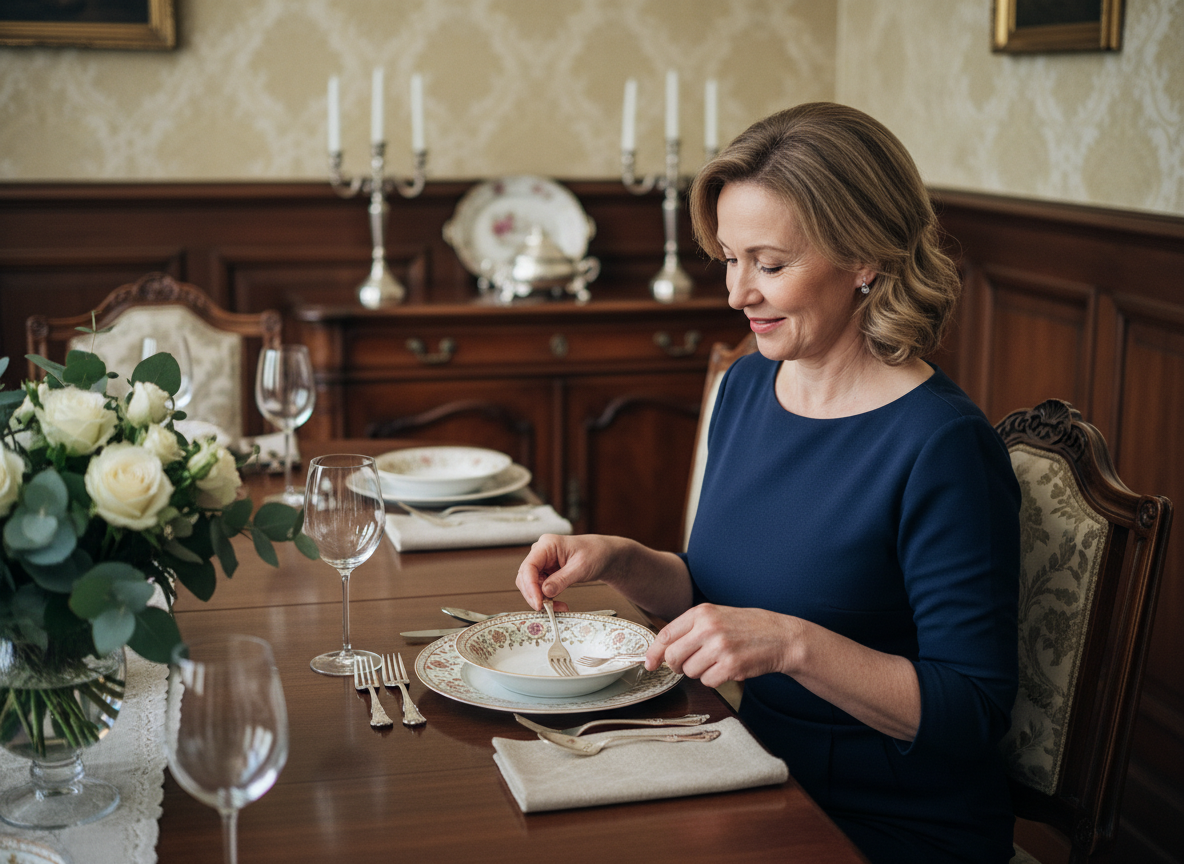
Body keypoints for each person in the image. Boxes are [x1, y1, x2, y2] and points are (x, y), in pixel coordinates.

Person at [515, 102, 1021, 864]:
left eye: (771, 264)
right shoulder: (751, 385)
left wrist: (791, 645)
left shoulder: (941, 446)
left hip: (889, 821)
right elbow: (717, 597)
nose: (736, 293)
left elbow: (971, 712)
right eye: (728, 257)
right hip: (749, 767)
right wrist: (622, 559)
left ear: (865, 260)